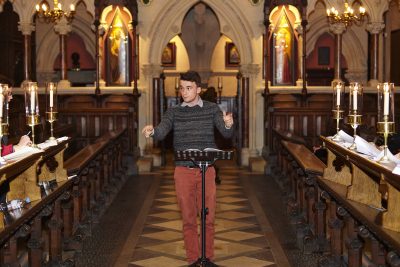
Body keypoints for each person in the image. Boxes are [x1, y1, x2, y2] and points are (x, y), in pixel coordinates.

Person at [142, 71, 234, 267]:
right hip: (183, 171)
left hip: (206, 170)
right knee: (188, 219)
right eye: (182, 88)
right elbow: (161, 130)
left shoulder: (211, 109)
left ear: (198, 89)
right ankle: (193, 259)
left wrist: (228, 124)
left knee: (208, 218)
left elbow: (226, 134)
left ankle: (207, 258)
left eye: (189, 88)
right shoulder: (174, 111)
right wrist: (152, 131)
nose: (184, 92)